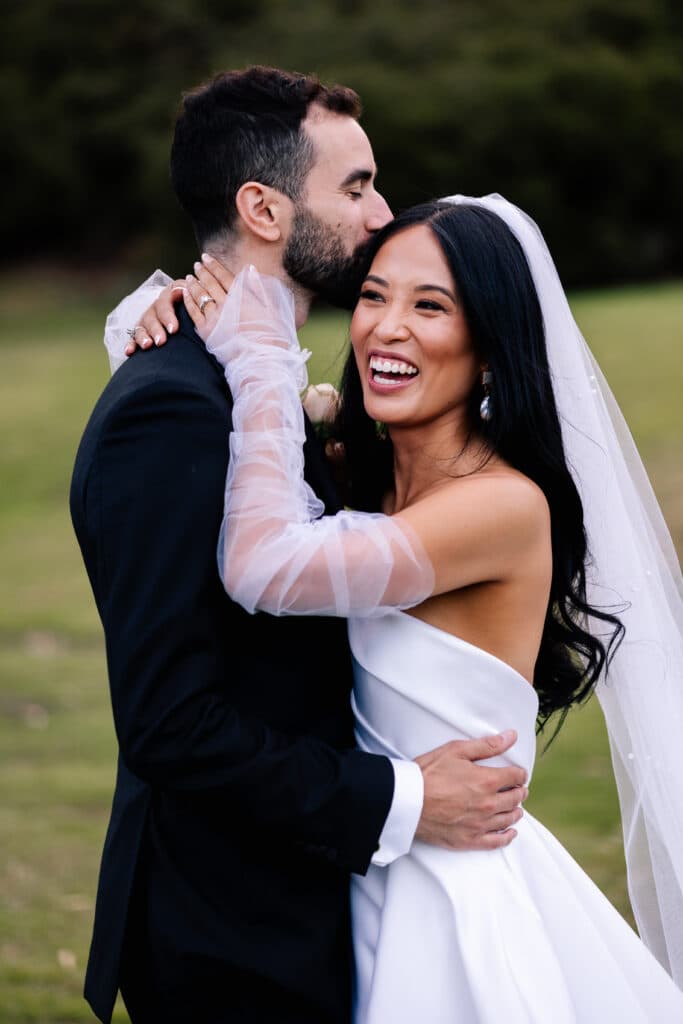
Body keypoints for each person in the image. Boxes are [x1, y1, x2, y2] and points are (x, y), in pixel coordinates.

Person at [125, 193, 683, 1020]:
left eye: (430, 306)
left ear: (490, 350)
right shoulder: (366, 476)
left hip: (448, 898)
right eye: (376, 295)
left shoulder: (500, 508)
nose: (386, 327)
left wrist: (261, 361)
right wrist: (158, 316)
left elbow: (265, 565)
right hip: (353, 868)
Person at [70, 67, 529, 1024]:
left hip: (317, 904)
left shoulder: (261, 394)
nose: (381, 212)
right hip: (229, 927)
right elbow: (167, 721)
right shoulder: (171, 407)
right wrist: (401, 801)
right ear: (263, 208)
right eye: (355, 187)